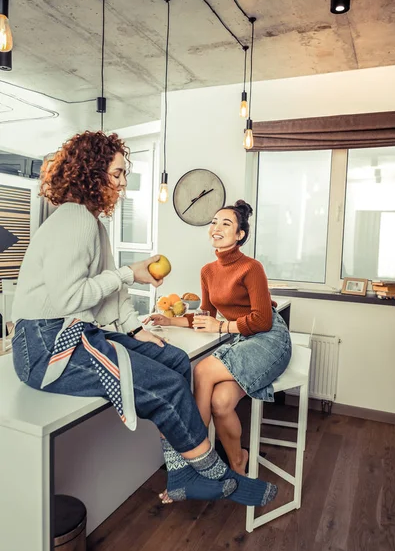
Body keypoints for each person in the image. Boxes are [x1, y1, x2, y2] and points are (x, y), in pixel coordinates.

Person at [11, 131, 278, 508]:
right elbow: (70, 297)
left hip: (71, 332)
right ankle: (216, 476)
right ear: (92, 171)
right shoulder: (74, 220)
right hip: (46, 346)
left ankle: (181, 472)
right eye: (118, 173)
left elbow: (104, 293)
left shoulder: (91, 224)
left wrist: (136, 329)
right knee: (166, 387)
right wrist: (127, 274)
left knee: (175, 360)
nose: (122, 183)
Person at [147, 200, 291, 502]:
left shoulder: (252, 268)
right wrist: (170, 319)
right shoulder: (208, 271)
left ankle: (195, 469)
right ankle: (237, 462)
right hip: (243, 339)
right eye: (214, 222)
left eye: (226, 223)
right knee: (220, 401)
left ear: (239, 234)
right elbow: (207, 315)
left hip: (269, 339)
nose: (216, 228)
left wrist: (223, 329)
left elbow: (262, 320)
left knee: (201, 370)